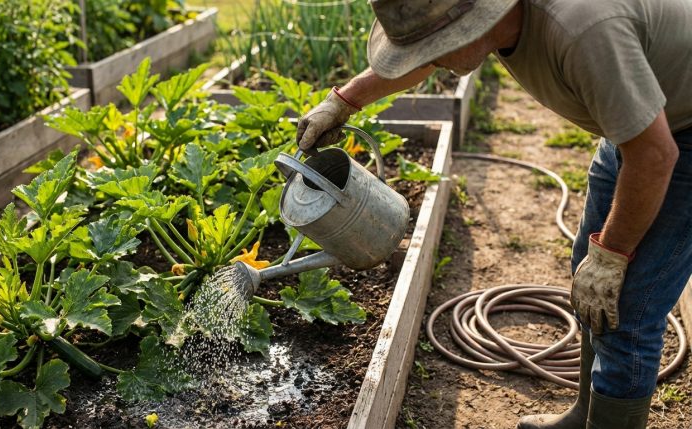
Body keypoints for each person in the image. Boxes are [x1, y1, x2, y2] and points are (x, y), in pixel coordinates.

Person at [296, 0, 692, 428]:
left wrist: (613, 254)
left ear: (473, 25)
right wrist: (343, 102)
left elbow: (653, 155)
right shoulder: (502, 20)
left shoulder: (582, 30)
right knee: (588, 272)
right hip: (643, 128)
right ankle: (587, 414)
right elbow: (429, 57)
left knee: (626, 308)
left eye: (435, 46)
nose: (428, 60)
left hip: (673, 139)